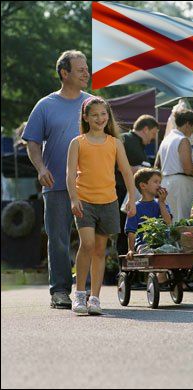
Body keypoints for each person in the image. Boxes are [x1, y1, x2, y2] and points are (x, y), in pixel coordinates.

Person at [22, 50, 91, 309]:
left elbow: (109, 140)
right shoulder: (45, 105)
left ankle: (88, 291)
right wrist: (40, 168)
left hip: (90, 184)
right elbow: (32, 141)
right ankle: (60, 292)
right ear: (65, 73)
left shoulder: (93, 104)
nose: (86, 73)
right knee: (59, 240)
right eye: (81, 69)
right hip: (57, 186)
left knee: (93, 239)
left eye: (87, 68)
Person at [66, 96, 136, 315]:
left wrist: (132, 199)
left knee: (99, 250)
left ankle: (95, 298)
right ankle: (79, 294)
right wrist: (73, 198)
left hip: (108, 202)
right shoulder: (77, 142)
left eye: (103, 114)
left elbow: (126, 172)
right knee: (86, 244)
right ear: (86, 117)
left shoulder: (115, 143)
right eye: (94, 115)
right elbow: (69, 174)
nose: (99, 118)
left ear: (108, 116)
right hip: (84, 201)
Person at [115, 115, 160, 255]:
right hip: (122, 193)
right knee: (125, 232)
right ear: (145, 129)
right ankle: (124, 270)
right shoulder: (125, 139)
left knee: (132, 232)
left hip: (132, 195)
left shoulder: (137, 144)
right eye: (153, 133)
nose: (152, 139)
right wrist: (138, 169)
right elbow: (116, 164)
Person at [156, 109, 193, 222]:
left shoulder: (165, 140)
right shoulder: (183, 140)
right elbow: (188, 169)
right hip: (181, 185)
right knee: (182, 220)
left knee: (170, 221)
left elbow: (157, 165)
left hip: (166, 182)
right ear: (188, 124)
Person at [125, 168, 172, 256]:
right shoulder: (135, 208)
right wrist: (130, 250)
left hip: (163, 244)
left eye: (160, 182)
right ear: (143, 186)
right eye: (155, 182)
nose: (159, 185)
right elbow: (131, 232)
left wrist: (161, 202)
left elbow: (168, 222)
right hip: (144, 245)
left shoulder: (162, 204)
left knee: (174, 249)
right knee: (148, 252)